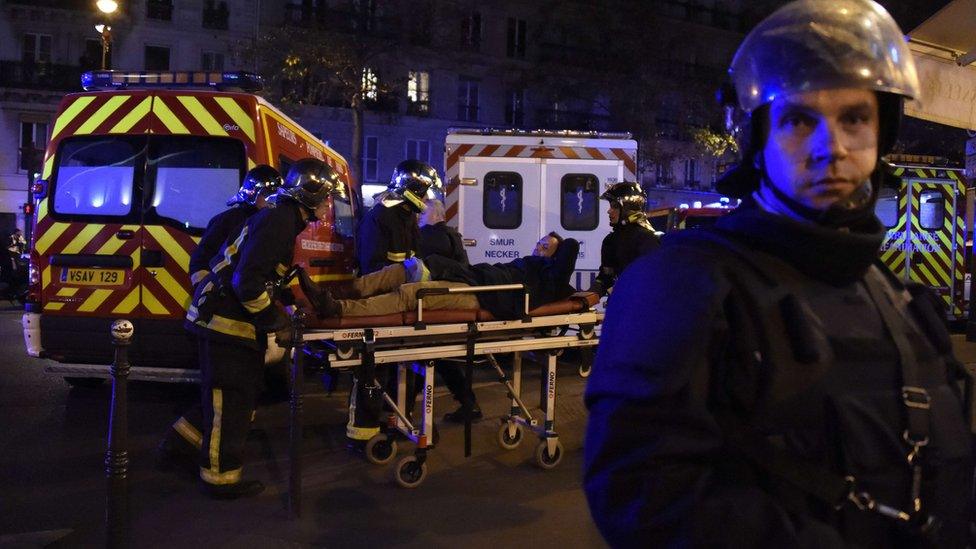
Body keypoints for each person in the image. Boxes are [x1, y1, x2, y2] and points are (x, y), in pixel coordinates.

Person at [583, 1, 975, 546]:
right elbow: (643, 496)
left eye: (855, 119)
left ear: (883, 132)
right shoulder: (682, 284)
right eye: (798, 119)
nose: (831, 148)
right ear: (757, 136)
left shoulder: (898, 297)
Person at [160, 158, 344, 499]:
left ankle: (178, 445)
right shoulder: (280, 222)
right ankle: (220, 478)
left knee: (227, 398)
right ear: (310, 194)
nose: (327, 205)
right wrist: (277, 323)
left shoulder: (282, 219)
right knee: (231, 403)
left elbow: (261, 274)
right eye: (326, 196)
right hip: (226, 326)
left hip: (228, 325)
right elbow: (247, 283)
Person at [307, 232, 578, 321]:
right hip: (475, 281)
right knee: (404, 269)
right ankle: (338, 293)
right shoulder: (524, 263)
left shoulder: (551, 279)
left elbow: (571, 248)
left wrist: (562, 244)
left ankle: (339, 309)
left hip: (484, 299)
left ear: (556, 257)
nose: (537, 247)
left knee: (414, 294)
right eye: (539, 242)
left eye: (546, 247)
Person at [417, 198, 477, 422]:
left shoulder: (428, 237)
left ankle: (398, 410)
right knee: (438, 355)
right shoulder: (453, 235)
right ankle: (468, 402)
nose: (418, 219)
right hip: (455, 299)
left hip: (434, 302)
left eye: (421, 215)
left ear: (432, 216)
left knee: (424, 353)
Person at [188, 165, 283, 289]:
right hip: (223, 297)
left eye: (275, 195)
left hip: (248, 294)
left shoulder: (267, 223)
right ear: (252, 192)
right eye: (266, 194)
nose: (271, 200)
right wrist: (206, 291)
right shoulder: (228, 220)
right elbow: (200, 260)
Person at [357, 159, 441, 275]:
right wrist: (407, 274)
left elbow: (416, 255)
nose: (427, 197)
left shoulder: (408, 216)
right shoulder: (380, 216)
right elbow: (371, 268)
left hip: (402, 289)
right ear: (414, 190)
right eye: (425, 192)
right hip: (382, 290)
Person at [589, 182, 660, 296]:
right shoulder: (610, 240)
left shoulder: (647, 239)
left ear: (629, 208)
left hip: (642, 306)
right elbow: (605, 278)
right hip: (621, 305)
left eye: (615, 206)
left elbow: (653, 279)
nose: (609, 211)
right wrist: (585, 299)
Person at [418, 198, 469, 266]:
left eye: (423, 213)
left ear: (437, 215)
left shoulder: (427, 234)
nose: (420, 216)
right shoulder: (454, 233)